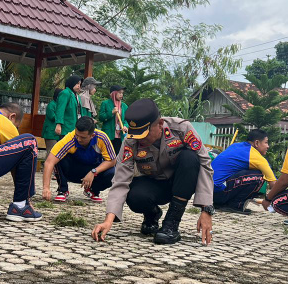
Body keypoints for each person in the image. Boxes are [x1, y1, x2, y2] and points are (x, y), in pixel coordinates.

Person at [92, 98, 214, 245]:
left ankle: (171, 224)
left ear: (160, 124)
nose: (140, 140)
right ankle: (152, 215)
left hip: (181, 184)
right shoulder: (131, 141)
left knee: (190, 158)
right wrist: (108, 220)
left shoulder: (181, 129)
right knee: (135, 196)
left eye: (144, 134)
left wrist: (206, 209)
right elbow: (120, 179)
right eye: (136, 135)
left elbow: (205, 163)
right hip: (154, 185)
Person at [42, 116, 116, 203]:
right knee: (58, 157)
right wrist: (46, 188)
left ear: (92, 135)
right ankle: (63, 189)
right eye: (77, 135)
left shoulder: (102, 138)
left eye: (83, 137)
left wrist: (93, 172)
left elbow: (112, 161)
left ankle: (93, 190)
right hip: (74, 171)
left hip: (93, 171)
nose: (79, 139)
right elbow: (49, 162)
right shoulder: (70, 138)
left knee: (112, 172)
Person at [211, 129, 276, 214]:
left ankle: (223, 203)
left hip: (208, 193)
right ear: (256, 143)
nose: (268, 146)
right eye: (266, 142)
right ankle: (235, 205)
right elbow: (274, 184)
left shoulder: (236, 146)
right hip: (218, 193)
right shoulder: (256, 157)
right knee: (259, 176)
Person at [99, 84, 128, 154]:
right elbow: (101, 117)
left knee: (118, 154)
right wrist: (111, 113)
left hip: (120, 135)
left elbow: (127, 119)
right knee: (108, 153)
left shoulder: (124, 106)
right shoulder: (105, 103)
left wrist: (125, 126)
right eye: (119, 93)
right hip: (109, 134)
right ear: (114, 93)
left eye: (122, 93)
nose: (121, 95)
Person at [41, 88, 63, 155]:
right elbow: (52, 117)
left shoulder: (59, 105)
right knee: (51, 153)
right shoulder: (52, 105)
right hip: (50, 133)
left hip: (56, 134)